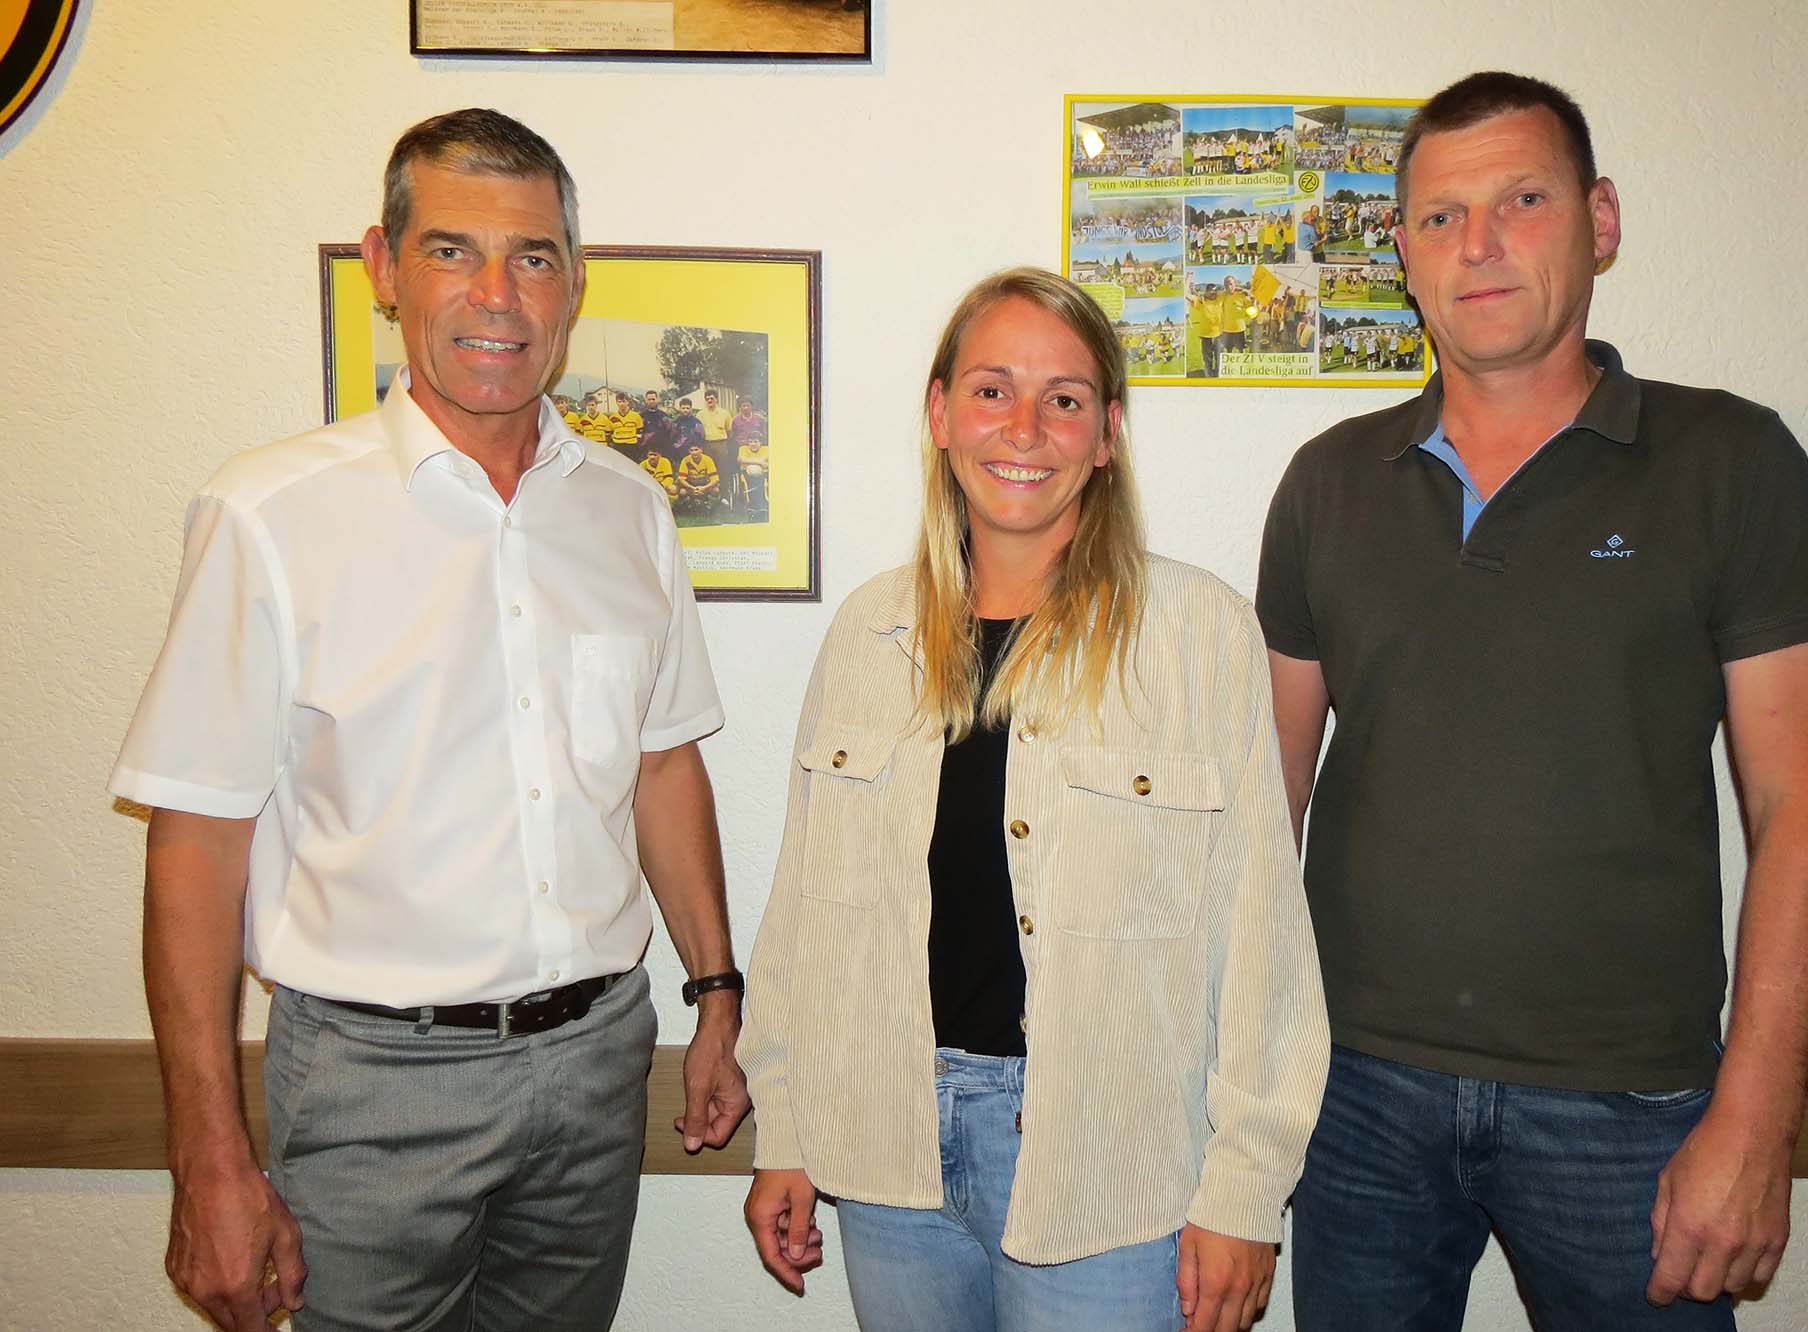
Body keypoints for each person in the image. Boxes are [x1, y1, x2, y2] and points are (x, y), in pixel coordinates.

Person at [109, 108, 749, 1332]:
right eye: (453, 250)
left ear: (572, 282)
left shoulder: (628, 511)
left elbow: (663, 765)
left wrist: (714, 990)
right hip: (370, 1085)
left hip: (596, 1061)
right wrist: (207, 1155)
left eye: (533, 257)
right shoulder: (269, 513)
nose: (497, 294)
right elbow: (195, 842)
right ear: (384, 267)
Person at [1257, 71, 1808, 1331]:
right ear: (1403, 254)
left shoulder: (1728, 461)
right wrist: (1237, 1091)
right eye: (1439, 216)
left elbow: (1806, 809)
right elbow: (1265, 807)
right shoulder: (1325, 483)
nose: (1476, 244)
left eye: (1520, 201)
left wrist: (1755, 1123)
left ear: (1599, 221)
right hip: (1352, 1093)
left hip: (1626, 1109)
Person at [738, 267, 1328, 1332]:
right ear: (940, 415)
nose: (1024, 428)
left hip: (1110, 1162)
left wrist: (1246, 1187)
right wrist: (782, 1125)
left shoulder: (1196, 634)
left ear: (1106, 433)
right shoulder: (868, 635)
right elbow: (805, 917)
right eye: (990, 390)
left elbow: (1261, 934)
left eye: (1063, 398)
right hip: (884, 1147)